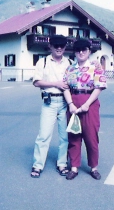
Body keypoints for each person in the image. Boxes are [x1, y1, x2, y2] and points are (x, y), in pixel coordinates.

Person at [63, 39, 107, 180]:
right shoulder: (70, 69)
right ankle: (74, 167)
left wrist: (87, 104)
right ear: (74, 52)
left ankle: (93, 167)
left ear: (89, 51)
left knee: (91, 137)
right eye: (78, 50)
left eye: (84, 50)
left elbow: (99, 86)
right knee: (74, 136)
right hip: (73, 103)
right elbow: (65, 87)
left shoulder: (96, 67)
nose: (81, 52)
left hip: (90, 103)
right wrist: (70, 104)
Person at [31, 35, 71, 178]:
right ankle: (37, 165)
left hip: (65, 103)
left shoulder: (70, 63)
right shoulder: (43, 62)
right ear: (51, 47)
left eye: (61, 46)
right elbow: (36, 82)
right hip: (49, 102)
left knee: (65, 136)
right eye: (56, 45)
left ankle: (62, 164)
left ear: (65, 47)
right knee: (43, 136)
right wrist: (56, 84)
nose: (59, 48)